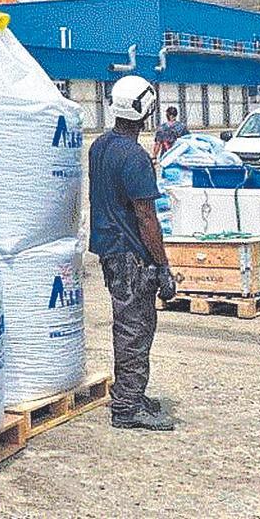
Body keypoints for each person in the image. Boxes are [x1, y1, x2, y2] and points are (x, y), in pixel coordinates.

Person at [88, 75, 178, 431]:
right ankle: (126, 407)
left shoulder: (99, 146)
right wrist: (163, 265)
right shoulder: (135, 157)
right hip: (131, 255)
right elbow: (146, 217)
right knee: (135, 329)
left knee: (132, 325)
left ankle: (132, 393)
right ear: (147, 110)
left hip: (110, 250)